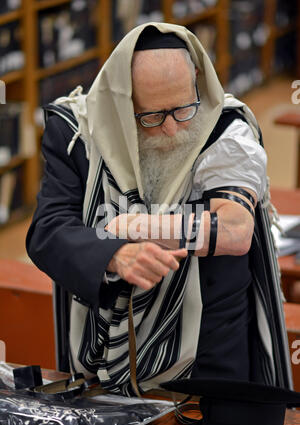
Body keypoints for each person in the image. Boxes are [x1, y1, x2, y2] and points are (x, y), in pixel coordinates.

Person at [26, 23, 289, 396]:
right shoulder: (78, 132)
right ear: (122, 104)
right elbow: (48, 232)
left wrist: (136, 227)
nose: (171, 129)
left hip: (209, 352)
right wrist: (114, 254)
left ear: (196, 79)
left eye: (183, 108)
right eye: (151, 116)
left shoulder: (224, 127)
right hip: (101, 354)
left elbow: (234, 230)